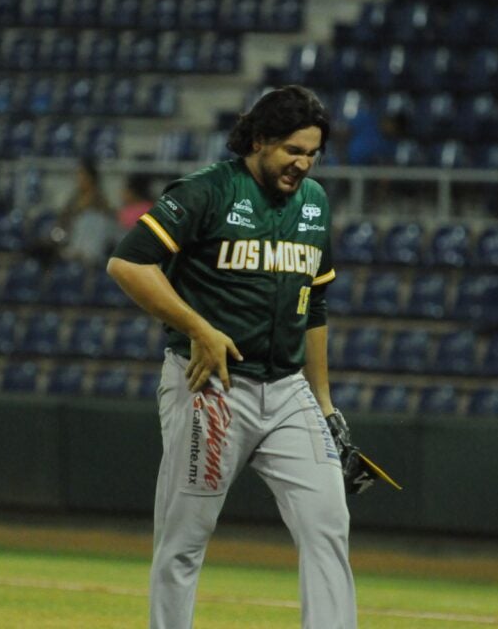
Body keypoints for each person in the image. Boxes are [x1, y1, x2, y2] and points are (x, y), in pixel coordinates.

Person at [107, 86, 360, 629]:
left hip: (289, 390)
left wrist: (325, 403)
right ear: (260, 139)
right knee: (184, 538)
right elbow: (128, 265)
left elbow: (312, 304)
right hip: (212, 387)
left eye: (312, 152)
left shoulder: (314, 202)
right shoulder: (208, 191)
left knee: (327, 523)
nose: (304, 162)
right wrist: (198, 326)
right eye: (293, 149)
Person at [55, 158, 118, 265]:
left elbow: (107, 223)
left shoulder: (100, 200)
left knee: (91, 219)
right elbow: (62, 222)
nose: (78, 179)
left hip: (92, 247)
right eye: (78, 175)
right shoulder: (73, 199)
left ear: (91, 177)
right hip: (70, 239)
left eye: (82, 175)